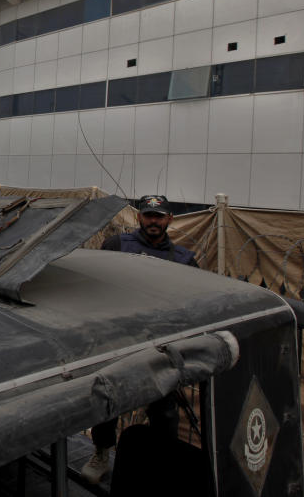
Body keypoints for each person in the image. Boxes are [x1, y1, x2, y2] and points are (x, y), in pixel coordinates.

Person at [80, 194, 198, 484]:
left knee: (164, 413)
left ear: (169, 219)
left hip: (159, 347)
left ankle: (157, 466)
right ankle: (102, 452)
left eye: (159, 216)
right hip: (118, 341)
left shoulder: (183, 259)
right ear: (139, 217)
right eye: (148, 215)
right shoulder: (117, 246)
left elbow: (194, 304)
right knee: (108, 401)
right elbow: (96, 289)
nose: (153, 221)